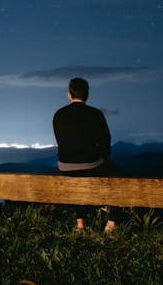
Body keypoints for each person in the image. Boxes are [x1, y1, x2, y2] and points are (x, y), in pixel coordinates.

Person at [53, 77, 120, 232]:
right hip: (91, 164)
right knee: (121, 178)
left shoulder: (58, 115)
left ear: (69, 94)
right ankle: (111, 223)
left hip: (65, 166)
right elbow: (105, 143)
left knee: (76, 180)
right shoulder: (95, 114)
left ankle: (80, 223)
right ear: (87, 95)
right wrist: (101, 158)